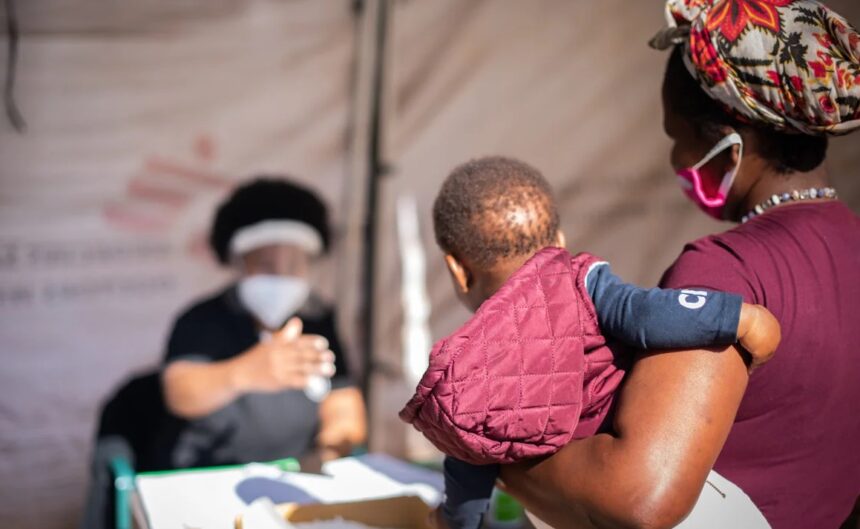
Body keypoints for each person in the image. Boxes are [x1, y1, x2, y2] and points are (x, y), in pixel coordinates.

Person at [498, 2, 860, 528]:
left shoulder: (726, 273)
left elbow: (640, 499)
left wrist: (495, 454)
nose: (675, 160)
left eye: (677, 136)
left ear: (734, 143)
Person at [400, 156, 780, 529]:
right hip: (676, 498)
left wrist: (448, 520)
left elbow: (466, 482)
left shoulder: (465, 377)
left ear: (458, 270)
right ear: (560, 243)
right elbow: (644, 315)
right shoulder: (580, 281)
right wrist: (736, 317)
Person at [161, 177, 366, 468]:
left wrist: (327, 453)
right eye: (266, 264)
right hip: (207, 476)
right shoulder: (202, 319)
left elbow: (343, 402)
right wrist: (245, 373)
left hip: (295, 476)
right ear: (240, 263)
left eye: (293, 264)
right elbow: (179, 392)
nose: (281, 276)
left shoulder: (318, 318)